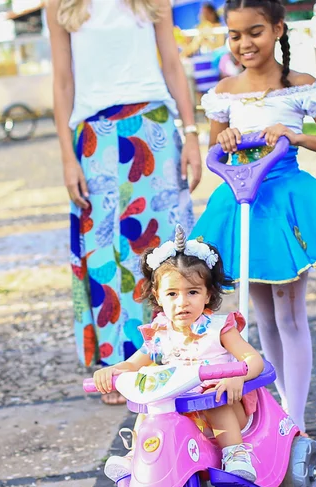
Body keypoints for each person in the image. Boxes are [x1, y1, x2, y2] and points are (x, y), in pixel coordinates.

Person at [195, 0, 316, 434]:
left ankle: (298, 419)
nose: (244, 43)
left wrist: (296, 135)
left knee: (290, 316)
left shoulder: (304, 87)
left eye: (254, 32)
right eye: (234, 36)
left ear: (277, 30)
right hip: (241, 206)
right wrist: (229, 139)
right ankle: (278, 409)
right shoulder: (224, 93)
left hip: (286, 207)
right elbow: (214, 151)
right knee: (263, 318)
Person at [48, 0, 201, 401]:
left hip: (155, 126)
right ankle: (119, 369)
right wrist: (67, 157)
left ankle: (176, 356)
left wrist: (192, 134)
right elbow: (63, 81)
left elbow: (171, 61)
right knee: (104, 255)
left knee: (168, 249)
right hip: (94, 135)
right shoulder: (61, 3)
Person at [94, 226, 266, 482]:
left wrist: (237, 378)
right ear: (158, 297)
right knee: (148, 411)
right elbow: (133, 364)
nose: (182, 302)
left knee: (214, 400)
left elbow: (254, 360)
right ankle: (135, 456)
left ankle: (235, 454)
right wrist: (113, 371)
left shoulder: (220, 329)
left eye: (192, 292)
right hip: (177, 408)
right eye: (172, 294)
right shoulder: (161, 332)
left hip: (222, 406)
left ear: (208, 294)